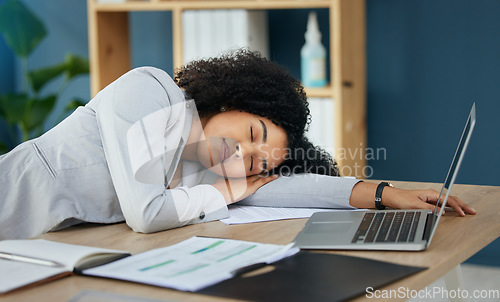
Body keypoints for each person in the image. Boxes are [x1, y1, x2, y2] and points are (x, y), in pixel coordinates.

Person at [0, 50, 475, 240]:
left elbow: (275, 189)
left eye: (255, 162)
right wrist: (228, 193)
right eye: (253, 135)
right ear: (234, 99)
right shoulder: (150, 91)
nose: (242, 159)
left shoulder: (193, 167)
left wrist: (382, 194)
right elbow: (146, 214)